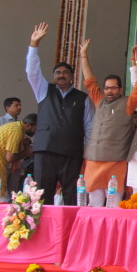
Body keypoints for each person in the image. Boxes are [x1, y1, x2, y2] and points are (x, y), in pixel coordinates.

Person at [26, 23, 94, 205]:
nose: (61, 75)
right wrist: (34, 45)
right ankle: (42, 230)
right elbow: (32, 72)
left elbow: (89, 127)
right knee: (42, 196)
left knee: (72, 196)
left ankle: (71, 231)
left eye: (65, 72)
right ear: (53, 76)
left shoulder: (82, 98)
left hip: (71, 153)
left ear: (72, 76)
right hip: (45, 151)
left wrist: (86, 155)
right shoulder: (43, 90)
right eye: (57, 72)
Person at [79, 40, 137, 207]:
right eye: (107, 88)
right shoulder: (99, 100)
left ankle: (112, 233)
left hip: (116, 162)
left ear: (120, 89)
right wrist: (83, 55)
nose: (109, 91)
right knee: (94, 204)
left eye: (113, 88)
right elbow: (89, 81)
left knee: (114, 206)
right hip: (94, 160)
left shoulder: (128, 103)